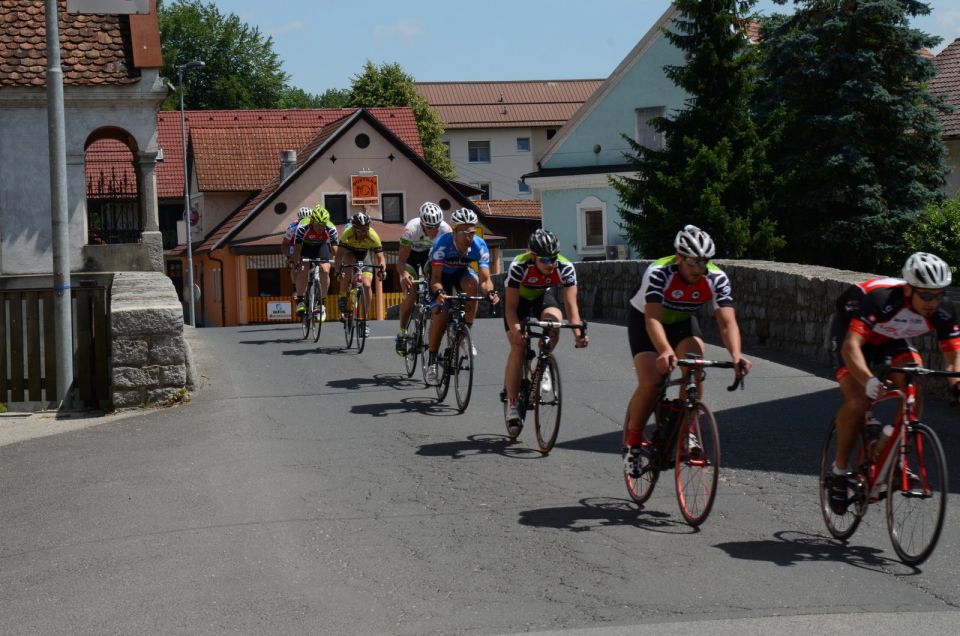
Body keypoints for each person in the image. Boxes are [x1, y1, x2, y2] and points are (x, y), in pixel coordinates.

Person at [826, 252, 960, 514]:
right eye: (926, 295)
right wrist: (867, 381)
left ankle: (890, 449)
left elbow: (953, 359)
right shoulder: (881, 299)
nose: (933, 302)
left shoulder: (944, 311)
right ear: (908, 289)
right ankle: (839, 473)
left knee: (915, 386)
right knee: (859, 400)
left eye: (939, 294)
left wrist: (956, 384)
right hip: (850, 335)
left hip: (892, 340)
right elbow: (851, 347)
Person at [623, 224, 750, 475]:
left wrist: (736, 354)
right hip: (647, 321)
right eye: (692, 262)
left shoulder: (716, 278)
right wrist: (664, 350)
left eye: (703, 262)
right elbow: (653, 320)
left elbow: (727, 322)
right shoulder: (659, 272)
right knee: (651, 382)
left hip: (682, 321)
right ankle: (633, 443)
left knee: (695, 362)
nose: (698, 269)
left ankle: (687, 429)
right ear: (679, 258)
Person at [502, 229, 588, 435]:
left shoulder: (565, 267)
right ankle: (512, 404)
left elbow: (571, 305)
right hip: (518, 303)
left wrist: (578, 333)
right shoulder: (519, 266)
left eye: (553, 258)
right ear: (533, 258)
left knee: (555, 323)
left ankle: (542, 362)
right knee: (518, 346)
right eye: (544, 260)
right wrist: (515, 329)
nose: (550, 264)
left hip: (541, 297)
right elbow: (511, 308)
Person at [424, 207, 499, 385]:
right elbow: (435, 278)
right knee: (441, 317)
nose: (469, 236)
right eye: (465, 232)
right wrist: (440, 293)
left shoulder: (479, 245)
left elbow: (485, 279)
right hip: (441, 278)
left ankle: (465, 334)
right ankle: (432, 362)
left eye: (472, 232)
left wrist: (490, 292)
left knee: (472, 287)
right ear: (455, 232)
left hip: (461, 274)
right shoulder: (442, 243)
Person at [395, 202, 452, 356]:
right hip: (411, 257)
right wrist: (404, 275)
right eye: (430, 227)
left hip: (431, 256)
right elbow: (401, 261)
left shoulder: (446, 230)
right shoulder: (411, 230)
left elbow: (448, 258)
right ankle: (402, 333)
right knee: (411, 294)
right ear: (422, 223)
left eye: (436, 226)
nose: (434, 230)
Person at [334, 212, 387, 336]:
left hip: (364, 255)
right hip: (350, 253)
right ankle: (342, 296)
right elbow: (339, 256)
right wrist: (337, 271)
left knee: (367, 285)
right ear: (354, 229)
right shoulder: (347, 234)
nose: (363, 233)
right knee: (348, 265)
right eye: (360, 231)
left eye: (365, 230)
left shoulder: (373, 236)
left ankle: (364, 319)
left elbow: (381, 258)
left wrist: (382, 270)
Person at [290, 206, 339, 318]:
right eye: (317, 224)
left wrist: (338, 264)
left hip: (321, 246)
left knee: (325, 270)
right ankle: (301, 300)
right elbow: (297, 248)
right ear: (312, 221)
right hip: (305, 247)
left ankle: (322, 303)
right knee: (303, 268)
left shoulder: (330, 228)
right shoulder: (303, 226)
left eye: (323, 224)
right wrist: (297, 262)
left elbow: (335, 249)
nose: (320, 227)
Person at [281, 206, 313, 291]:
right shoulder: (293, 227)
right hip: (294, 244)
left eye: (307, 220)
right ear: (299, 219)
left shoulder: (314, 225)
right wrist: (289, 257)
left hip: (309, 244)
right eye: (302, 220)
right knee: (294, 265)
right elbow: (285, 244)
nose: (304, 222)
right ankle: (295, 286)